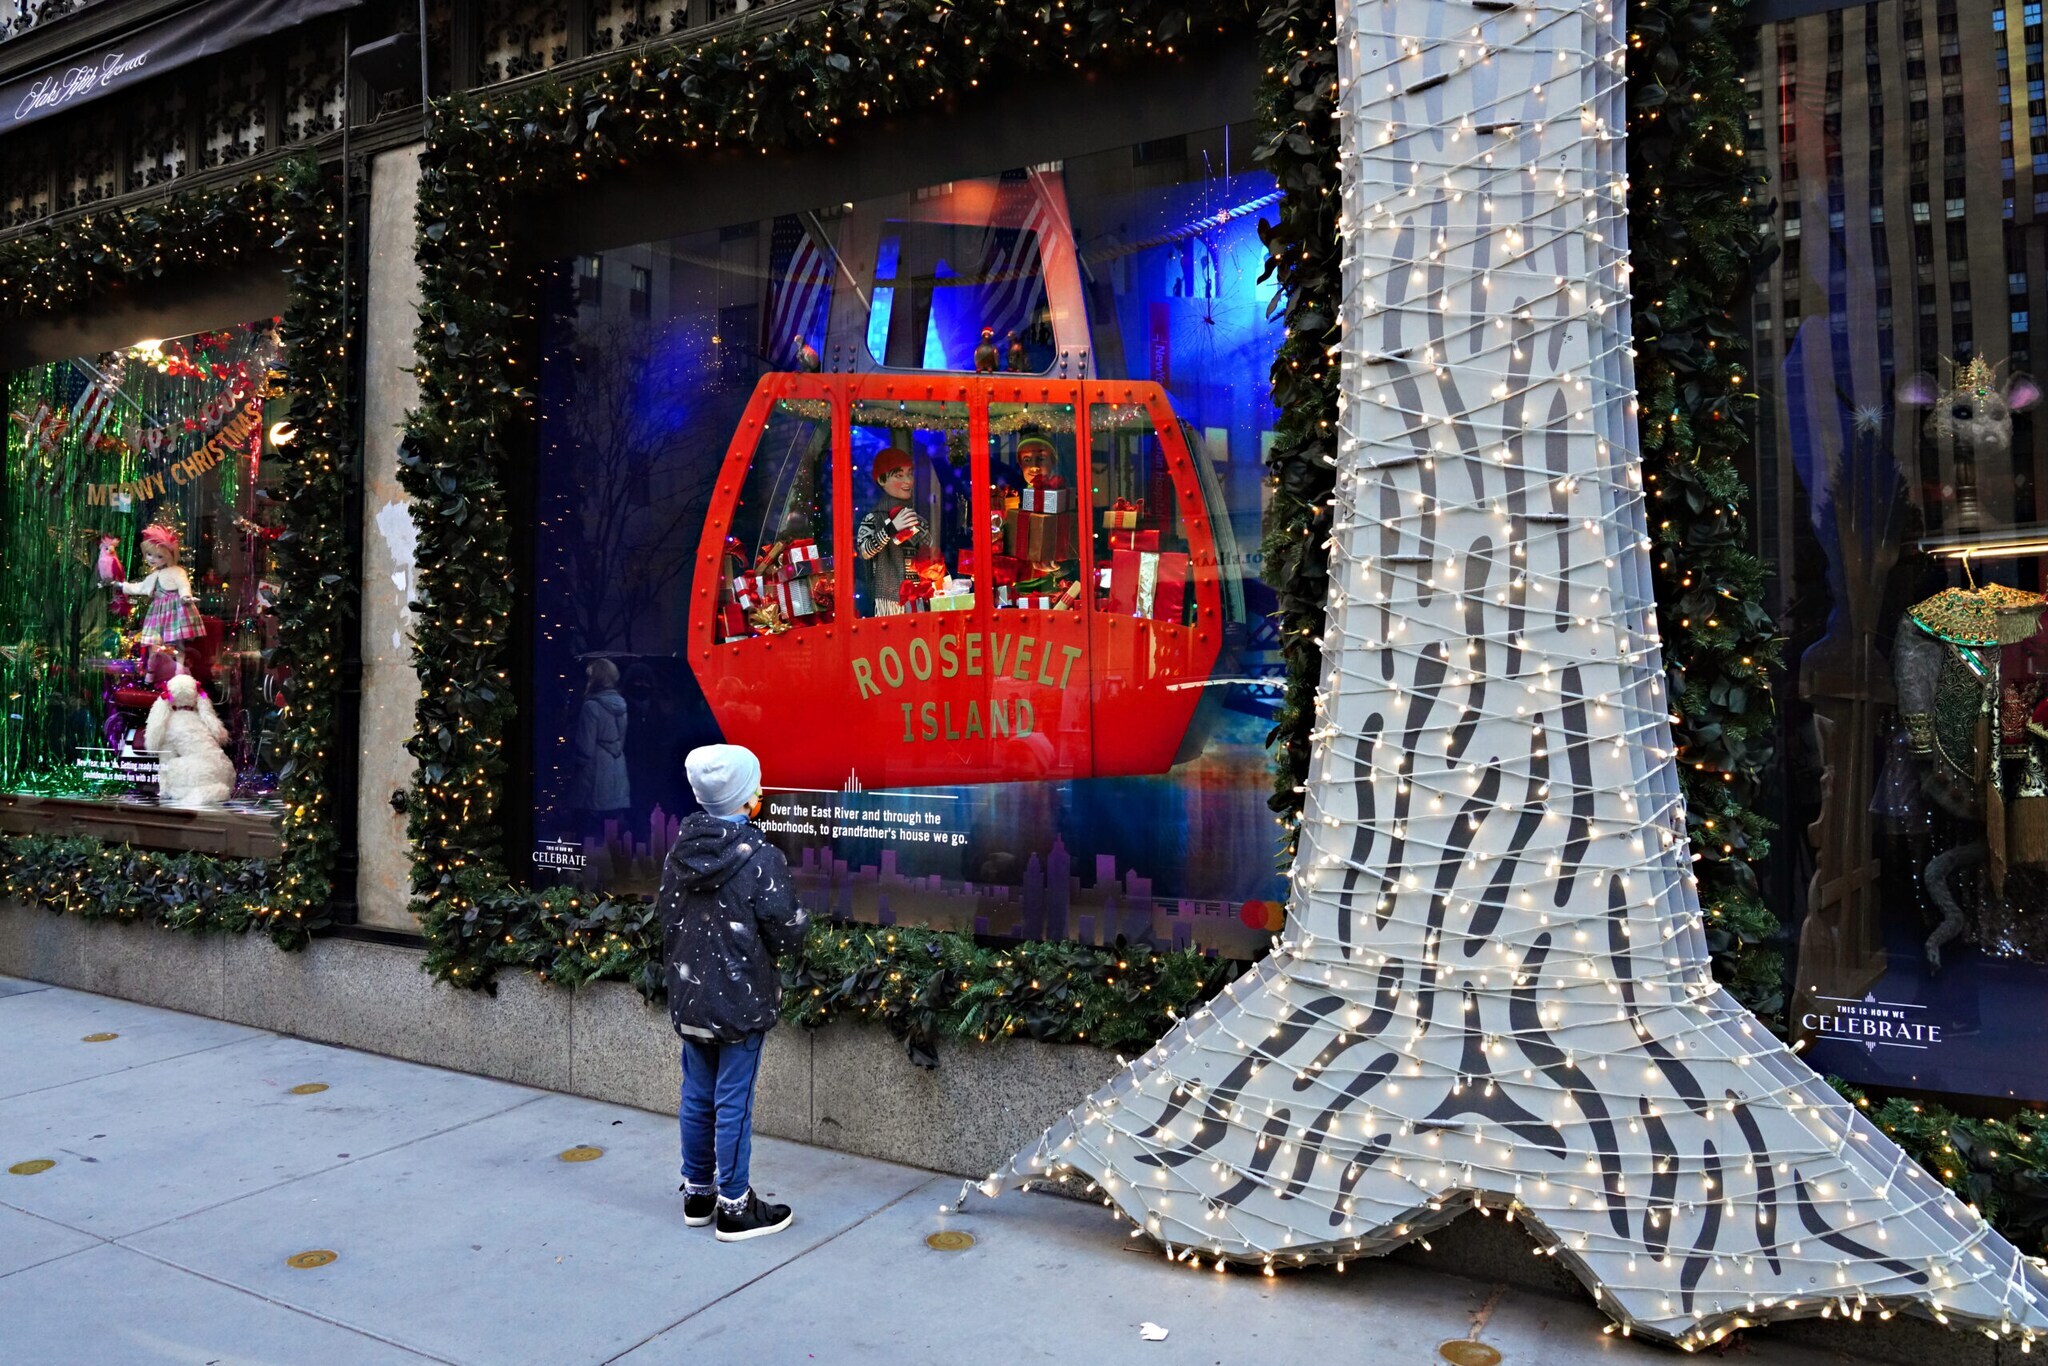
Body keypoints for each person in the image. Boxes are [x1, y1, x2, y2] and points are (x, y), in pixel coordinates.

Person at [660, 743, 808, 1241]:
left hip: (690, 998)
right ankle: (735, 1204)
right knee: (733, 1101)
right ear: (748, 800)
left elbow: (665, 920)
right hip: (740, 1004)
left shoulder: (679, 853)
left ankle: (698, 1192)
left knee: (696, 1094)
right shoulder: (760, 858)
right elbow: (787, 930)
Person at [854, 446, 931, 615]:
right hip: (889, 601)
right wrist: (891, 529)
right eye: (899, 475)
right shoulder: (873, 519)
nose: (908, 481)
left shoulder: (918, 520)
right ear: (881, 480)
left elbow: (928, 555)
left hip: (919, 597)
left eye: (910, 474)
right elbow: (865, 551)